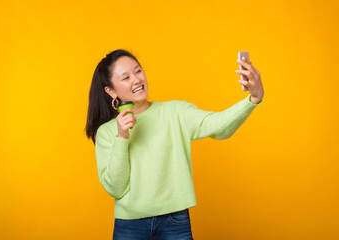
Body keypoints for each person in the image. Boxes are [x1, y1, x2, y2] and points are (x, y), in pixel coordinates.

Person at [85, 49, 264, 240]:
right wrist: (122, 137)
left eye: (138, 71)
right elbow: (116, 188)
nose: (136, 80)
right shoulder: (106, 132)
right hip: (129, 227)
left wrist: (254, 98)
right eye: (126, 77)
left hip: (175, 222)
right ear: (110, 90)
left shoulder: (175, 112)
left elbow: (219, 127)